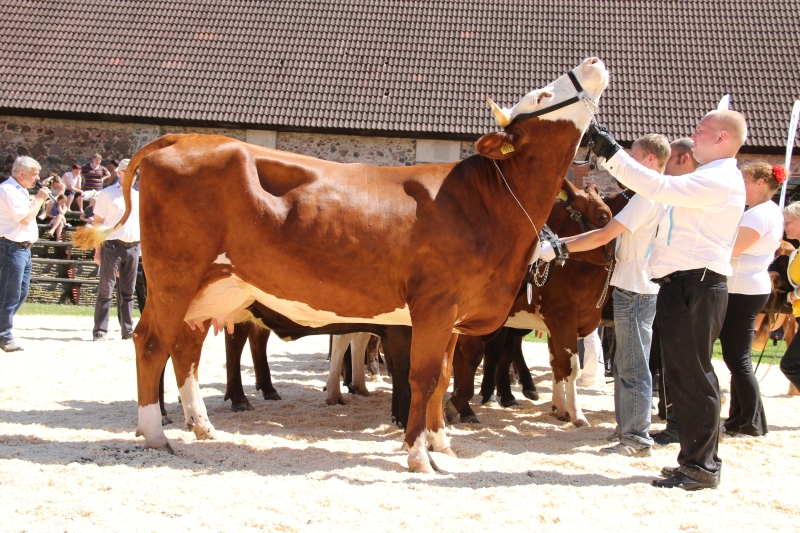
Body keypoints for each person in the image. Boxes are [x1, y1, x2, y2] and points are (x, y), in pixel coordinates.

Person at [586, 110, 748, 491]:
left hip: (697, 283)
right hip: (685, 284)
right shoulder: (710, 176)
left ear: (722, 138)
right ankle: (694, 461)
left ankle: (701, 467)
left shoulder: (719, 178)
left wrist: (610, 151)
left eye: (701, 130)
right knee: (684, 376)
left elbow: (656, 186)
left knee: (693, 377)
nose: (694, 134)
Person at [557, 133, 670, 457]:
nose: (626, 165)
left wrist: (557, 246)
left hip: (635, 287)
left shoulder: (646, 197)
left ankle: (636, 438)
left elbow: (603, 236)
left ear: (649, 160)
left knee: (633, 366)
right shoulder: (656, 195)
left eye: (633, 158)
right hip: (634, 284)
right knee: (626, 364)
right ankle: (627, 430)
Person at [717, 162, 784, 437]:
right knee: (737, 358)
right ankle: (739, 418)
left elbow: (732, 248)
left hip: (743, 288)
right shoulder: (764, 211)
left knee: (738, 359)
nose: (740, 186)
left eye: (744, 181)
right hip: (746, 285)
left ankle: (751, 421)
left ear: (759, 183)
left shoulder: (759, 214)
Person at [650, 138, 701, 446]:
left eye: (669, 160)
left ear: (683, 159)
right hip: (672, 282)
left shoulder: (690, 192)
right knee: (674, 361)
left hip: (689, 280)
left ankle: (683, 430)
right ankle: (676, 423)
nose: (665, 166)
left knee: (685, 363)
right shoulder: (679, 193)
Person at [0, 156, 50, 352]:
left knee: (20, 292)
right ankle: (4, 336)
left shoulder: (19, 190)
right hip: (11, 247)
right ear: (22, 174)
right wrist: (39, 199)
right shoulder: (8, 190)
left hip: (22, 249)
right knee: (9, 294)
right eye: (35, 174)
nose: (37, 178)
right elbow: (24, 219)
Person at [92, 158, 140, 341]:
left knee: (128, 292)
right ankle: (100, 330)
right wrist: (98, 251)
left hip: (133, 246)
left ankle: (127, 331)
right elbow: (98, 224)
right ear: (119, 173)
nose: (132, 176)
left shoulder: (138, 196)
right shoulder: (107, 194)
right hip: (112, 246)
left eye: (135, 173)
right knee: (106, 290)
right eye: (128, 172)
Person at [779, 202, 800, 392]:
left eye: (788, 222)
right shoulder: (796, 252)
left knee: (790, 365)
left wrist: (793, 294)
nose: (784, 226)